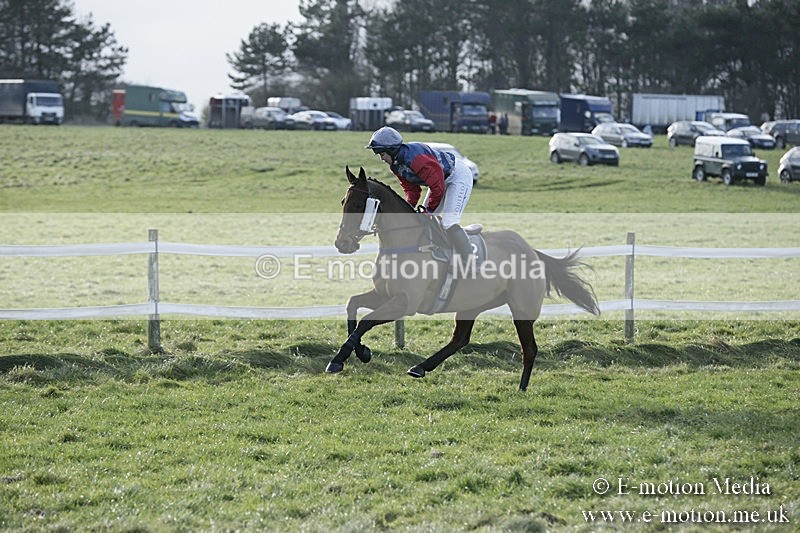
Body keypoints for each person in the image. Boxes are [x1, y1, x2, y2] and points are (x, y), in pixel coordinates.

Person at [366, 126, 473, 263]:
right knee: (424, 220)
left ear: (391, 150)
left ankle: (471, 262)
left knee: (449, 222)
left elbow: (437, 188)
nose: (382, 159)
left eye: (382, 154)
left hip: (457, 177)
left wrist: (429, 210)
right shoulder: (396, 165)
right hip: (439, 182)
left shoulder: (416, 159)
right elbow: (412, 190)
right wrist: (408, 208)